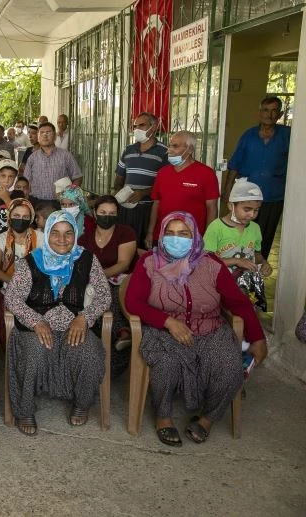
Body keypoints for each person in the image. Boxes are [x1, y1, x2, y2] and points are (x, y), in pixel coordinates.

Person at [125, 211, 267, 446]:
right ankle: (163, 417)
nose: (175, 238)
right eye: (169, 233)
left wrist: (257, 338)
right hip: (162, 328)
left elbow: (238, 302)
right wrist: (168, 322)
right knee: (166, 364)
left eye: (183, 233)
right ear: (161, 235)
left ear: (195, 237)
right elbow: (133, 302)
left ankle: (207, 419)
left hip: (209, 328)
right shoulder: (149, 262)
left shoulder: (211, 264)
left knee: (229, 367)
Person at [3, 210, 110, 436]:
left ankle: (82, 403)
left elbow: (104, 295)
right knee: (33, 354)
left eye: (68, 233)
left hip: (75, 326)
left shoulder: (87, 259)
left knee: (90, 354)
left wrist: (85, 317)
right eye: (55, 233)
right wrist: (36, 322)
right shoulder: (31, 261)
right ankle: (25, 410)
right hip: (37, 328)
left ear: (76, 234)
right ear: (47, 234)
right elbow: (12, 298)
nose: (62, 240)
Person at [223, 96, 291, 259]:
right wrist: (227, 191)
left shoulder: (288, 135)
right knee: (242, 233)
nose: (270, 114)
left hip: (273, 197)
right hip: (247, 196)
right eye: (266, 110)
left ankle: (257, 272)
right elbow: (235, 164)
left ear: (280, 114)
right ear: (259, 113)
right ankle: (239, 269)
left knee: (264, 237)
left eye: (274, 110)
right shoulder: (249, 135)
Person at [77, 195, 137, 371]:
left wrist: (98, 276)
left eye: (112, 213)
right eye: (103, 212)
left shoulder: (126, 233)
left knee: (109, 292)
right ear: (94, 213)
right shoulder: (84, 238)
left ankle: (122, 335)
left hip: (121, 280)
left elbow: (123, 264)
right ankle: (94, 352)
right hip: (93, 282)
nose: (107, 216)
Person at [204, 179, 273, 311]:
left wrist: (264, 263)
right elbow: (207, 262)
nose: (252, 215)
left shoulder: (255, 228)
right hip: (221, 285)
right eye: (247, 209)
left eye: (256, 210)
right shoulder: (216, 228)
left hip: (248, 286)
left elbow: (256, 254)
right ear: (231, 206)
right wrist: (236, 261)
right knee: (229, 317)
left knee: (249, 314)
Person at [145, 131, 219, 249]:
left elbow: (212, 208)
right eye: (170, 145)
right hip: (163, 236)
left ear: (190, 149)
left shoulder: (206, 173)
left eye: (175, 146)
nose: (169, 150)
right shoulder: (163, 173)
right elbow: (156, 204)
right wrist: (150, 232)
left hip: (191, 238)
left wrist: (208, 238)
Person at [112, 112, 168, 249]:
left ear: (153, 128)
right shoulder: (128, 150)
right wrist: (118, 194)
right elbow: (119, 177)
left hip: (148, 209)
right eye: (135, 126)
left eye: (142, 125)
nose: (137, 129)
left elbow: (166, 184)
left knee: (142, 247)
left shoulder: (164, 152)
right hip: (125, 208)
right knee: (124, 244)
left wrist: (143, 193)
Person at [0, 198, 39, 348]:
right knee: (5, 324)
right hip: (10, 290)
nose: (21, 220)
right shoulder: (2, 238)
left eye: (25, 217)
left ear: (31, 218)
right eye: (16, 216)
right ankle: (12, 352)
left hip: (36, 291)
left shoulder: (41, 238)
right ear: (9, 216)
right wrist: (14, 281)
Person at [23, 122, 83, 202]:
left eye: (48, 132)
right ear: (38, 137)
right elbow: (26, 181)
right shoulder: (32, 158)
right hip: (36, 203)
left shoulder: (66, 155)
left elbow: (78, 177)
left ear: (55, 136)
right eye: (42, 133)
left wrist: (69, 196)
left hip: (59, 204)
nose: (45, 135)